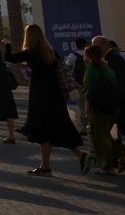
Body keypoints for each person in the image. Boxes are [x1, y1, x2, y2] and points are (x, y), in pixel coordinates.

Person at [7, 25, 89, 176]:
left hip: (41, 96)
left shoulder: (31, 53)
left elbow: (10, 58)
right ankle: (75, 157)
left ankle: (46, 167)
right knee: (58, 128)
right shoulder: (51, 52)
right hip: (55, 95)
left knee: (43, 129)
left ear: (29, 36)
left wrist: (6, 45)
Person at [82, 44, 125, 174]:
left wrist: (87, 108)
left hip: (99, 108)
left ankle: (107, 166)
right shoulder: (106, 67)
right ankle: (122, 156)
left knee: (100, 136)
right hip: (113, 106)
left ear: (88, 56)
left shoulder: (91, 70)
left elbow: (90, 91)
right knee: (113, 134)